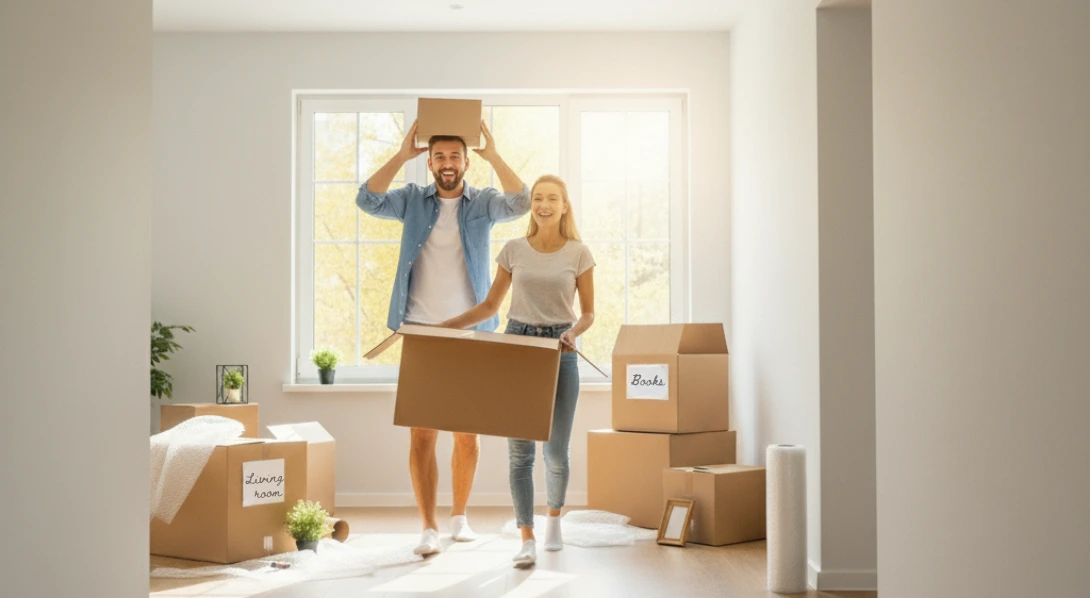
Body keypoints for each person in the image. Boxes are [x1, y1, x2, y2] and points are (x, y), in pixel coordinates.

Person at [356, 119, 530, 556]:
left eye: (455, 156)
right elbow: (367, 199)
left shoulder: (483, 202)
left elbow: (522, 201)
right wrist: (400, 155)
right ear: (429, 161)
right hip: (420, 330)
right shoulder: (413, 200)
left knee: (467, 436)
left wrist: (493, 154)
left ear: (466, 161)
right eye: (439, 157)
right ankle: (428, 527)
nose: (447, 164)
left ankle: (459, 518)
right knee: (422, 435)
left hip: (472, 333)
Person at [441, 174, 595, 567]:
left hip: (561, 352)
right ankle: (526, 536)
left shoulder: (579, 253)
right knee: (519, 454)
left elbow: (590, 312)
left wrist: (574, 332)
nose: (544, 205)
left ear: (564, 206)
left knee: (556, 452)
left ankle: (554, 521)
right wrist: (446, 328)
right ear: (532, 206)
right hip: (518, 348)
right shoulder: (513, 250)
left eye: (553, 199)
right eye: (538, 198)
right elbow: (490, 307)